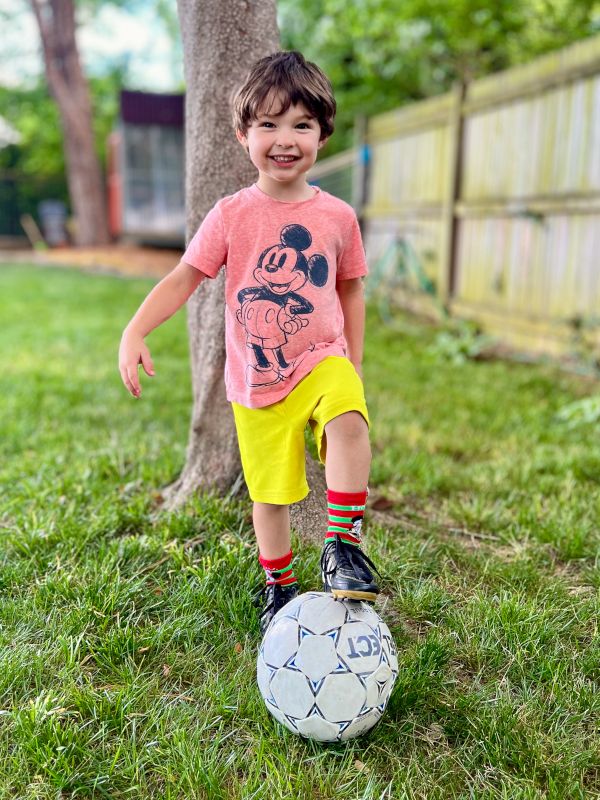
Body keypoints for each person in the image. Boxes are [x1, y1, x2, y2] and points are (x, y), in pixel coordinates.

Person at [118, 51, 380, 635]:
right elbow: (185, 276)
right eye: (268, 123)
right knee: (271, 495)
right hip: (257, 382)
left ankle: (342, 545)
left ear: (322, 135)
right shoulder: (232, 214)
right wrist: (135, 329)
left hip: (323, 362)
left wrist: (352, 367)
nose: (284, 139)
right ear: (242, 134)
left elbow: (352, 293)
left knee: (350, 418)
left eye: (301, 125)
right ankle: (278, 585)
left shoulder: (338, 217)